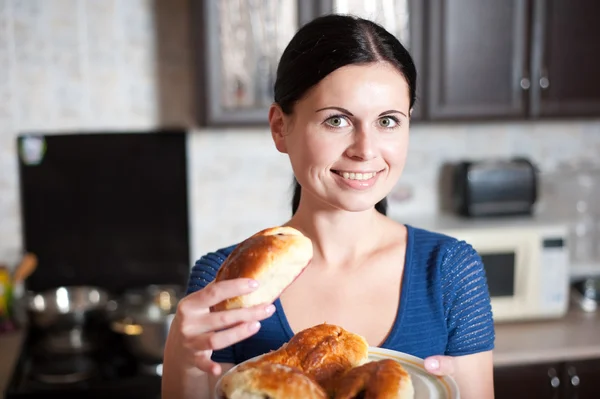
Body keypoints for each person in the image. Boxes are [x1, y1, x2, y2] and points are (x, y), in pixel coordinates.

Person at [162, 13, 495, 399]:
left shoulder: (451, 270)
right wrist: (183, 361)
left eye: (388, 121)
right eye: (337, 120)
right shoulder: (223, 281)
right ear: (280, 128)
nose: (366, 150)